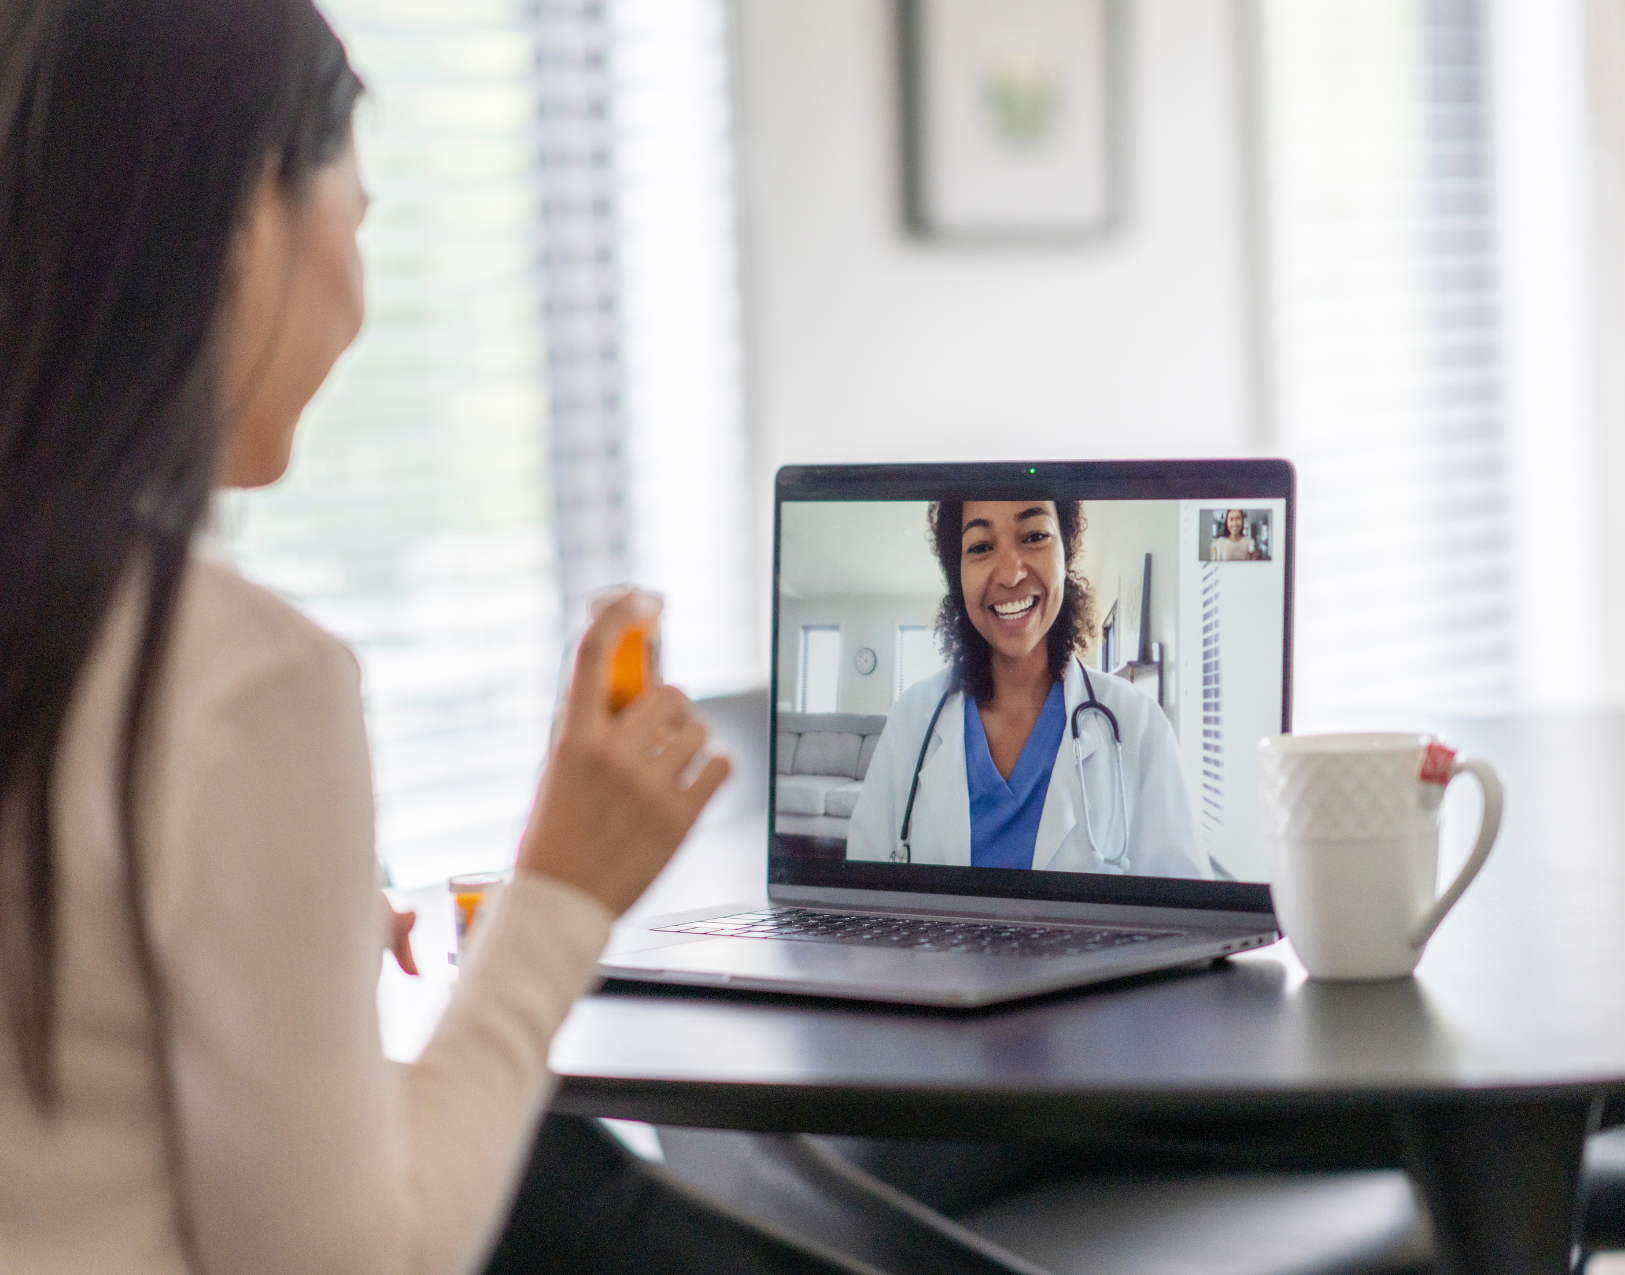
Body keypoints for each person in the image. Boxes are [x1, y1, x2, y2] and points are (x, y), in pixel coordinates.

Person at [0, 5, 862, 1274]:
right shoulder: (243, 684)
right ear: (250, 220)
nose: (358, 282)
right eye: (357, 210)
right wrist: (564, 892)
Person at [846, 500, 1206, 879]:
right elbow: (860, 897)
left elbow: (1184, 919)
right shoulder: (911, 718)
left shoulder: (1139, 725)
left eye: (1034, 536)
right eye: (981, 546)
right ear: (958, 574)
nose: (1011, 574)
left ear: (1065, 554)